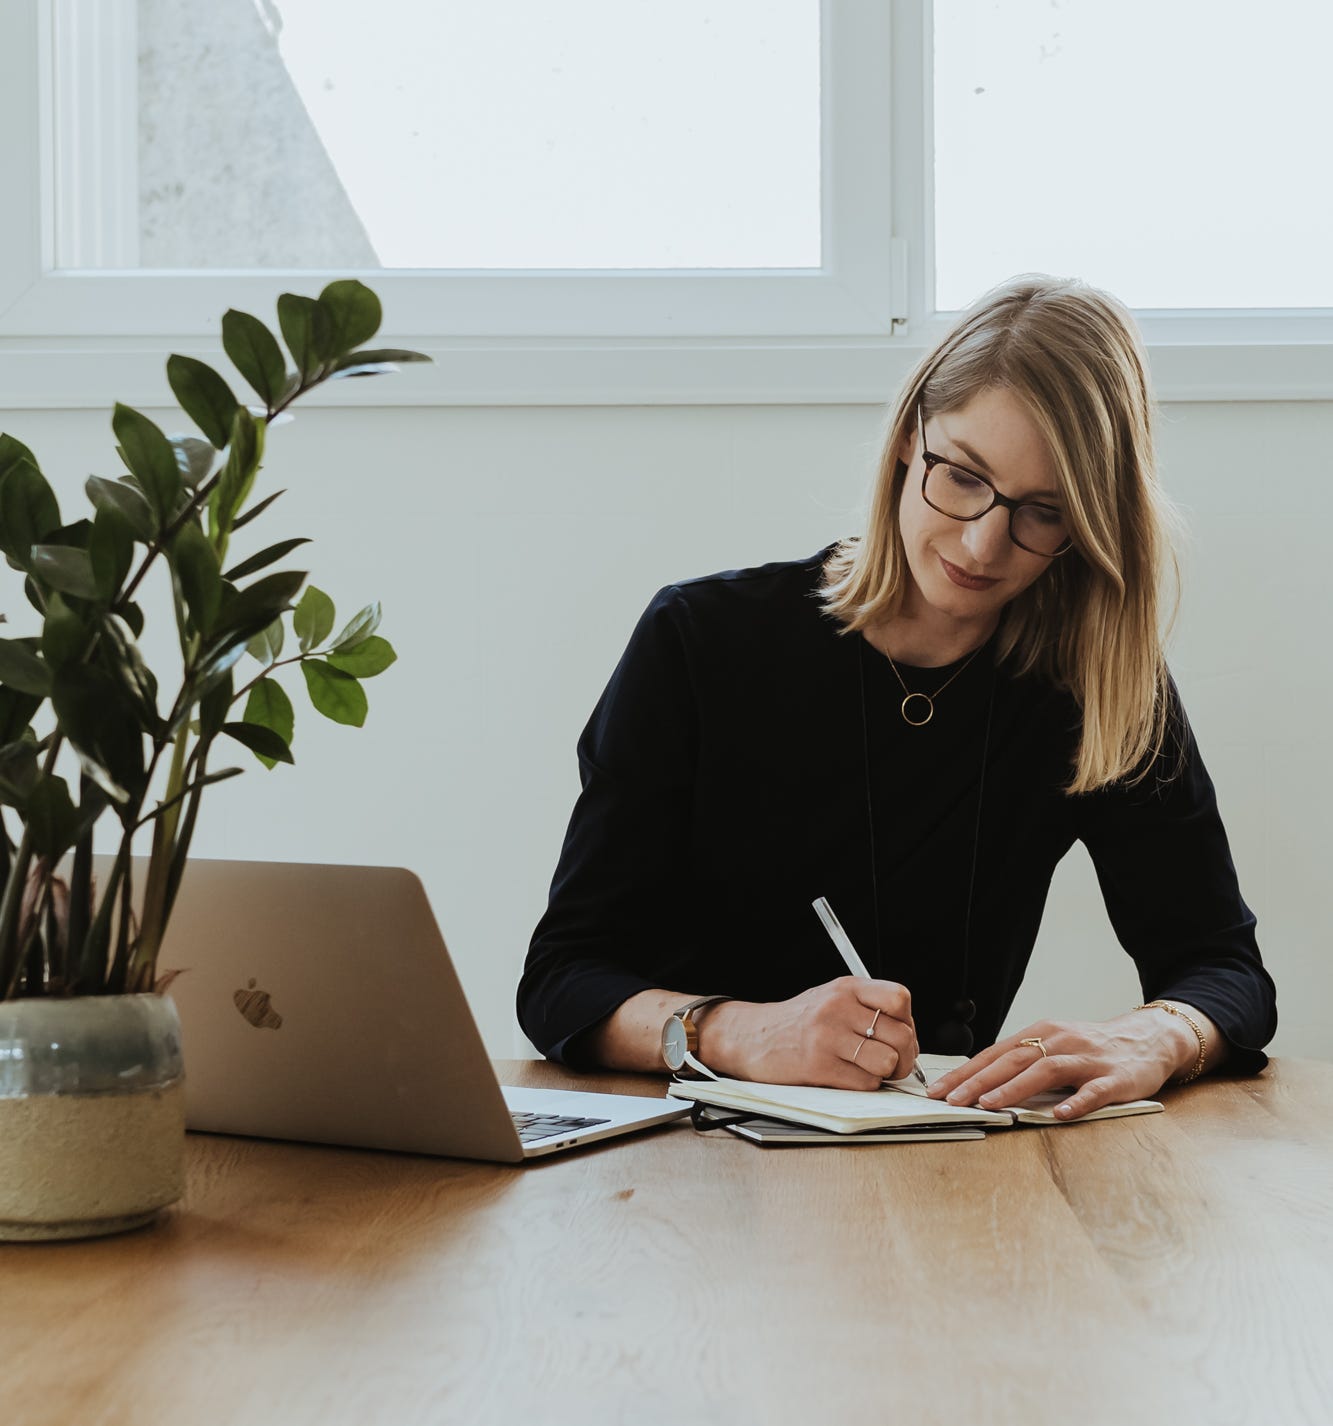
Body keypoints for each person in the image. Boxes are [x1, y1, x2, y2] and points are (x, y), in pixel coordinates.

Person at [517, 274, 1277, 1121]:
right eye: (962, 476)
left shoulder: (1096, 684)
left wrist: (1157, 1034)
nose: (983, 543)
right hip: (684, 1156)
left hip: (929, 1156)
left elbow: (1223, 970)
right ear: (908, 442)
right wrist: (739, 1032)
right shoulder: (698, 640)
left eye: (1043, 512)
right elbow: (563, 981)